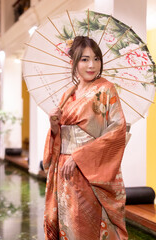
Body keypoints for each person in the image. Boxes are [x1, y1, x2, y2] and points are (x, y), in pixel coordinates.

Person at [43, 36, 128, 240]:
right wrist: (54, 127)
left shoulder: (106, 89)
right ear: (73, 63)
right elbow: (60, 136)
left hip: (89, 171)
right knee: (67, 225)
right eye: (84, 59)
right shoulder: (67, 95)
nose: (92, 65)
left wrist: (79, 156)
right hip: (64, 172)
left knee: (85, 228)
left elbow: (117, 131)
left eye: (96, 58)